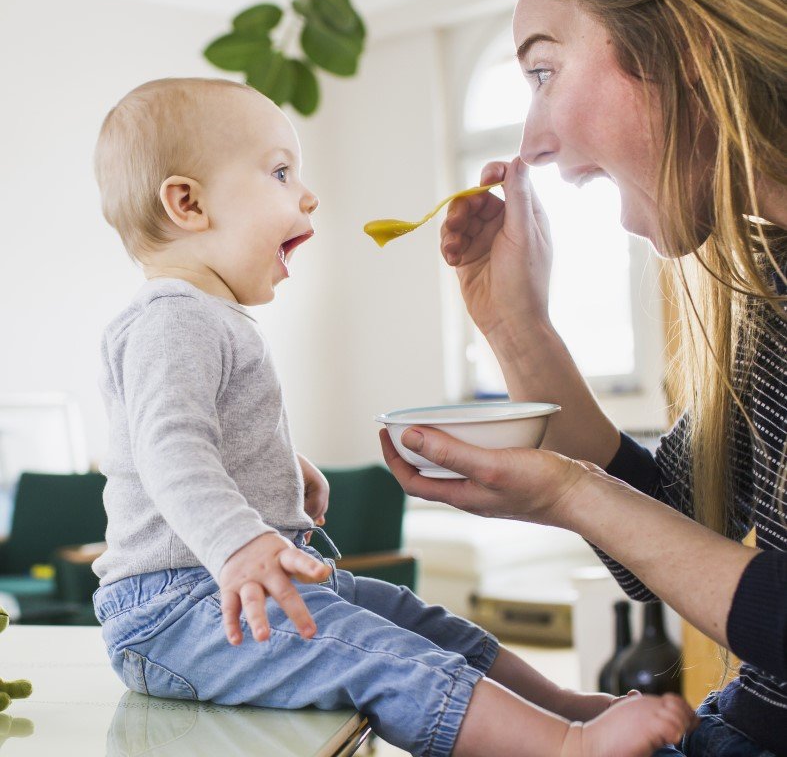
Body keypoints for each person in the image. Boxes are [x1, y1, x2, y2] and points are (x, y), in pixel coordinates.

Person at [90, 77, 695, 757]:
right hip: (177, 611)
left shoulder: (204, 319)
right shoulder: (173, 319)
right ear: (188, 203)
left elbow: (191, 437)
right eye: (280, 172)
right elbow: (168, 449)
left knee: (413, 619)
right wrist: (239, 543)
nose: (307, 195)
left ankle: (558, 705)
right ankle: (562, 746)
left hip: (217, 590)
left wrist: (275, 469)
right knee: (373, 654)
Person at [380, 0, 786, 755]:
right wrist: (517, 328)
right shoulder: (775, 292)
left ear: (686, 46)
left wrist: (573, 493)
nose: (530, 141)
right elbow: (678, 525)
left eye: (542, 72)